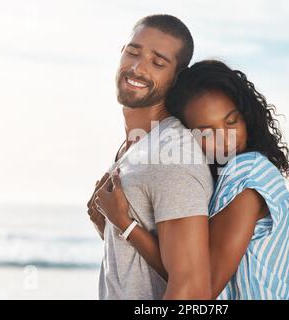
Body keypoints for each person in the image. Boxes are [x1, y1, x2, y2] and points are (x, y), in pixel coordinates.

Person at [97, 60, 289, 299]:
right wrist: (107, 225)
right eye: (207, 132)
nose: (226, 140)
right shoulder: (224, 178)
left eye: (231, 121)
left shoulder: (247, 173)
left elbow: (200, 286)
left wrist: (125, 224)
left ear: (246, 115)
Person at [86, 15, 214, 300]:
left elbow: (191, 288)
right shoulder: (134, 147)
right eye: (133, 52)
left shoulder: (172, 157)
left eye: (158, 63)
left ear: (176, 78)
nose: (137, 67)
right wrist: (107, 226)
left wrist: (125, 224)